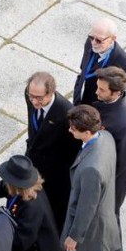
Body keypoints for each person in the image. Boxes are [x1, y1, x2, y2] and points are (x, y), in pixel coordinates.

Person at [62, 105, 120, 251]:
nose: (70, 131)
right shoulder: (106, 137)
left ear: (86, 132)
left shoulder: (90, 169)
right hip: (104, 218)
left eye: (73, 128)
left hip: (89, 224)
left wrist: (74, 237)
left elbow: (86, 207)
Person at [93, 66, 126, 251]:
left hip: (115, 179)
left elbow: (124, 162)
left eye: (102, 90)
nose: (97, 92)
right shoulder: (116, 97)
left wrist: (107, 190)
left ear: (116, 92)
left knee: (109, 219)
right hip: (109, 171)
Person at [24, 71, 79, 232]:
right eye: (31, 96)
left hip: (54, 176)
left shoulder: (66, 113)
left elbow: (72, 152)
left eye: (39, 98)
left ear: (51, 93)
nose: (34, 101)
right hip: (33, 162)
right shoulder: (31, 97)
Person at [73, 17, 126, 107]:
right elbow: (83, 71)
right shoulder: (89, 43)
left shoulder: (125, 64)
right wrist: (77, 96)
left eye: (99, 40)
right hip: (80, 103)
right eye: (91, 37)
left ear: (113, 39)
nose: (93, 43)